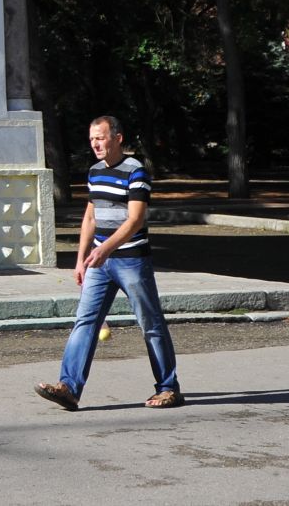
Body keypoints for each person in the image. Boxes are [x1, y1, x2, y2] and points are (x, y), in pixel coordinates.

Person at [34, 114, 183, 411]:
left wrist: (105, 250)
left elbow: (135, 219)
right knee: (85, 322)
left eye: (100, 138)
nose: (95, 144)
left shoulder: (135, 172)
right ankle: (69, 388)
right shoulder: (94, 171)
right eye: (92, 139)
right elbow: (91, 215)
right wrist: (81, 259)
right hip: (99, 264)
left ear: (117, 138)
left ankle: (169, 388)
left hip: (131, 262)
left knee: (150, 324)